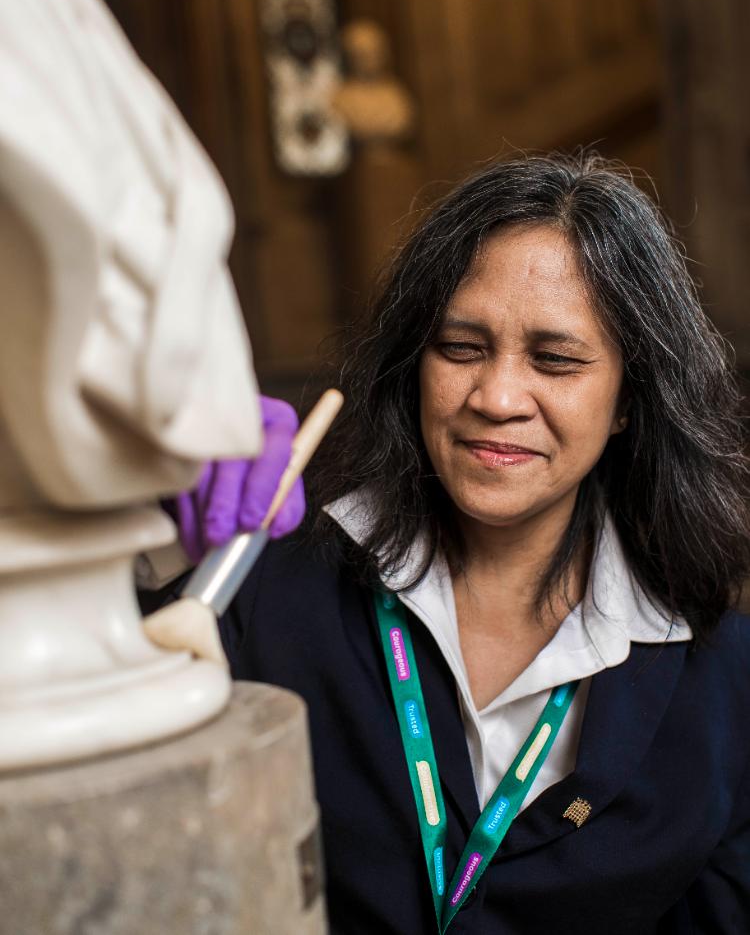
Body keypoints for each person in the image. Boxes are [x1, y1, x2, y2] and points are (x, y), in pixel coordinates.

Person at [155, 153, 750, 934]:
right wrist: (152, 524)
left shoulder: (722, 680)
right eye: (461, 348)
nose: (496, 397)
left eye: (556, 359)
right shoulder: (267, 590)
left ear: (626, 402)